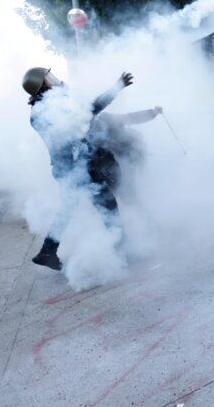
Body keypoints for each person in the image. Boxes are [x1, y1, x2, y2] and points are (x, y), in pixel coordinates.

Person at [22, 67, 135, 270]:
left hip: (70, 168)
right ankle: (122, 252)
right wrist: (116, 88)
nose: (55, 81)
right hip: (78, 169)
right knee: (108, 206)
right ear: (40, 87)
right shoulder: (45, 111)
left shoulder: (49, 106)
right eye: (48, 79)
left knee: (67, 209)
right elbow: (90, 110)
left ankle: (47, 252)